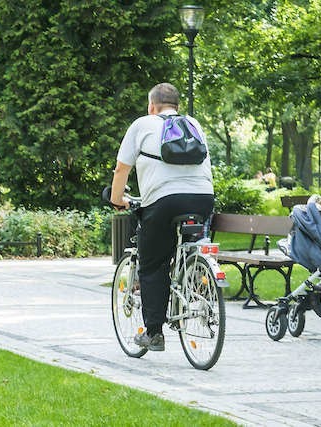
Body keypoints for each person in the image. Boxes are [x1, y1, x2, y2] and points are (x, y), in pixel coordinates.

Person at [110, 82, 214, 351]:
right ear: (177, 106)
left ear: (151, 106)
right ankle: (191, 274)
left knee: (153, 263)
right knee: (182, 244)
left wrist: (115, 198)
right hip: (203, 198)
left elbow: (122, 168)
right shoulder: (194, 124)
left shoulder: (142, 124)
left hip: (164, 201)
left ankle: (154, 333)